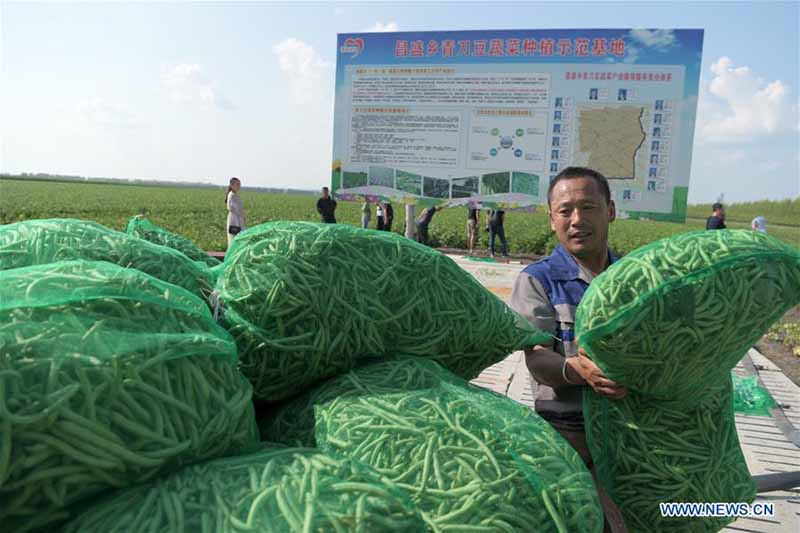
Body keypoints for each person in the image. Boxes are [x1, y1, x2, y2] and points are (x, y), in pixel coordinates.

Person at [510, 166, 627, 532]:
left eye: (588, 207)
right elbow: (537, 358)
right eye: (565, 211)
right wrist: (579, 371)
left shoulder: (635, 277)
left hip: (633, 437)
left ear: (609, 210)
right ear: (551, 219)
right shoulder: (538, 279)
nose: (577, 220)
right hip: (568, 440)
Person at [225, 177, 245, 248]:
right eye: (237, 184)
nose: (239, 186)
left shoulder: (235, 194)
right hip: (234, 220)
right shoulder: (232, 195)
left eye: (239, 184)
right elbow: (235, 209)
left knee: (237, 239)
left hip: (237, 219)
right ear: (231, 185)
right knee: (234, 239)